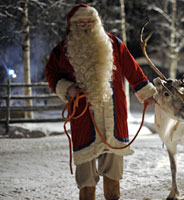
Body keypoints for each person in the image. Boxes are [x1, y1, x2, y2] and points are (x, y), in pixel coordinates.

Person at [45, 4, 156, 200]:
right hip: (82, 115)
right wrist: (68, 88)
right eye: (81, 22)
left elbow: (132, 69)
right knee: (86, 175)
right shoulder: (61, 50)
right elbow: (51, 75)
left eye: (90, 21)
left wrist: (145, 92)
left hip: (114, 115)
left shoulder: (114, 44)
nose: (86, 25)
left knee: (113, 170)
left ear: (97, 23)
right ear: (72, 25)